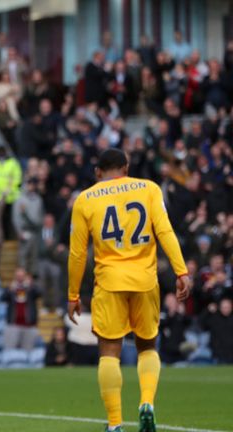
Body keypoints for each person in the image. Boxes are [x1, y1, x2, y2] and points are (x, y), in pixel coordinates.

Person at [68, 148, 192, 432]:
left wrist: (73, 295)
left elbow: (77, 254)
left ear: (98, 172)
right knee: (147, 346)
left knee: (109, 353)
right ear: (126, 167)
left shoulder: (85, 199)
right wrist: (181, 270)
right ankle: (146, 403)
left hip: (109, 283)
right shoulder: (149, 189)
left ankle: (114, 424)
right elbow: (165, 232)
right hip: (145, 282)